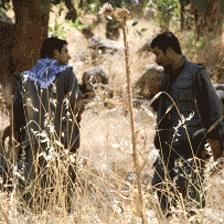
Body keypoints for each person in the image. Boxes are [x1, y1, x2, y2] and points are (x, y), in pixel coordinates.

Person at [147, 32, 224, 216]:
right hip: (167, 147)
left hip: (192, 148)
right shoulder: (166, 75)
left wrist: (216, 147)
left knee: (192, 200)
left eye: (158, 53)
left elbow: (212, 110)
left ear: (169, 50)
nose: (156, 59)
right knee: (160, 187)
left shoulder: (196, 72)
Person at [14, 36, 84, 208]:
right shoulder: (66, 72)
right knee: (62, 193)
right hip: (62, 141)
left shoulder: (25, 77)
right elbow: (77, 104)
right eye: (66, 51)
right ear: (55, 53)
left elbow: (17, 111)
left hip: (32, 141)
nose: (69, 56)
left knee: (33, 192)